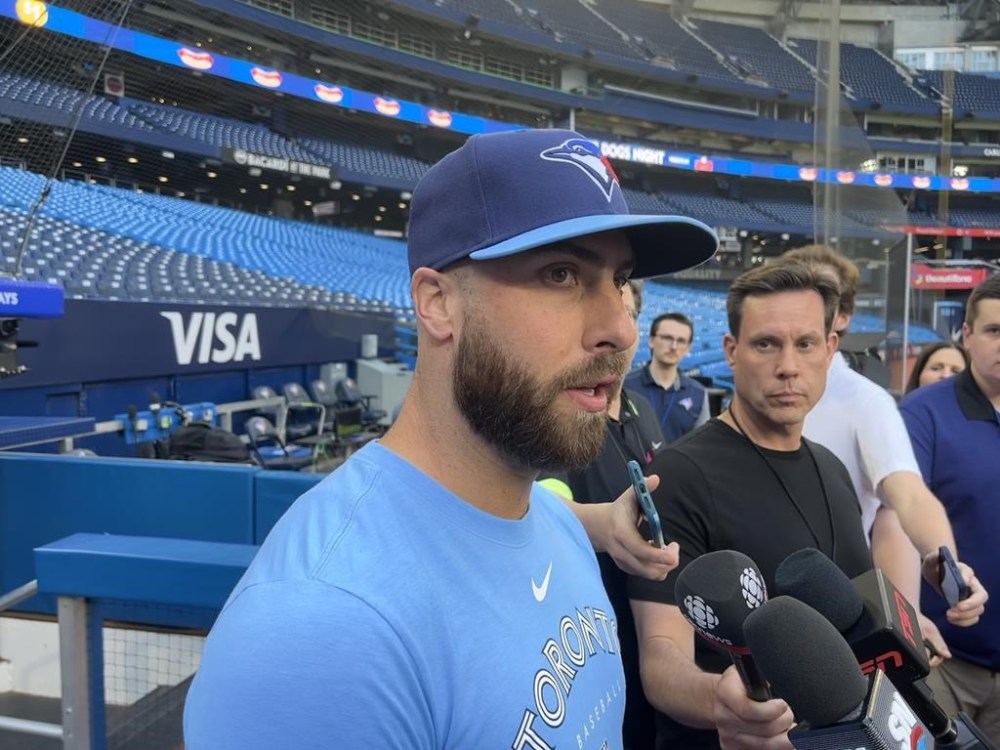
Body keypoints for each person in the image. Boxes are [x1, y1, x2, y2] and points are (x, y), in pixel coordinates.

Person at [182, 128, 719, 749]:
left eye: (619, 281)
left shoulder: (551, 518)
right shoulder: (319, 631)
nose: (620, 329)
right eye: (561, 274)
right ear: (437, 304)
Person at [629, 262, 874, 750]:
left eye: (805, 344)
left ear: (829, 350)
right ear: (731, 351)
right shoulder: (680, 475)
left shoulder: (833, 468)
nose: (788, 365)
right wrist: (721, 701)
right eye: (766, 344)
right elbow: (661, 659)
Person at [543, 280, 671, 750]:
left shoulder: (642, 410)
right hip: (589, 633)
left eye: (631, 313)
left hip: (650, 619)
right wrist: (604, 527)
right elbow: (547, 502)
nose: (620, 326)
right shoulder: (563, 413)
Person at [900, 273, 1000, 741]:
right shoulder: (923, 413)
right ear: (966, 335)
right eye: (994, 331)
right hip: (948, 659)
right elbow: (897, 521)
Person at [625, 312, 710, 443]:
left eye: (681, 341)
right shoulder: (625, 385)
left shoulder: (698, 393)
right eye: (667, 338)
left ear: (688, 348)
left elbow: (701, 445)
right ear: (651, 340)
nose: (674, 347)